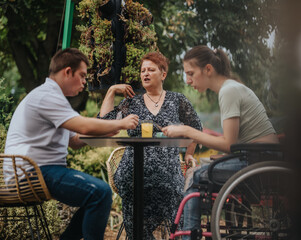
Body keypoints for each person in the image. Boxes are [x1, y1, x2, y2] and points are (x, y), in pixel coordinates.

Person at [5, 48, 139, 240]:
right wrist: (121, 123)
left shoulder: (54, 99)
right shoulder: (47, 96)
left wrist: (106, 130)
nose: (85, 82)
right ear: (67, 72)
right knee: (100, 193)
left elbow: (75, 141)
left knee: (95, 195)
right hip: (31, 172)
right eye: (82, 76)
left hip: (36, 171)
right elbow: (83, 126)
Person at [162, 45, 279, 238]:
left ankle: (188, 236)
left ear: (208, 69)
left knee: (195, 176)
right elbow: (234, 144)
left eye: (190, 73)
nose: (188, 80)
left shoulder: (228, 91)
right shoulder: (231, 88)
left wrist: (187, 130)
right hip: (258, 156)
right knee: (202, 168)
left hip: (259, 160)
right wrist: (224, 157)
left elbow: (228, 143)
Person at [98, 51, 202, 239]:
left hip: (168, 175)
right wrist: (112, 90)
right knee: (135, 210)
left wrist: (188, 155)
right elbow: (105, 122)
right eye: (143, 70)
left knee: (178, 209)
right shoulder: (132, 102)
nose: (145, 73)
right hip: (133, 174)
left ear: (163, 74)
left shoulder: (177, 100)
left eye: (151, 70)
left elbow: (196, 128)